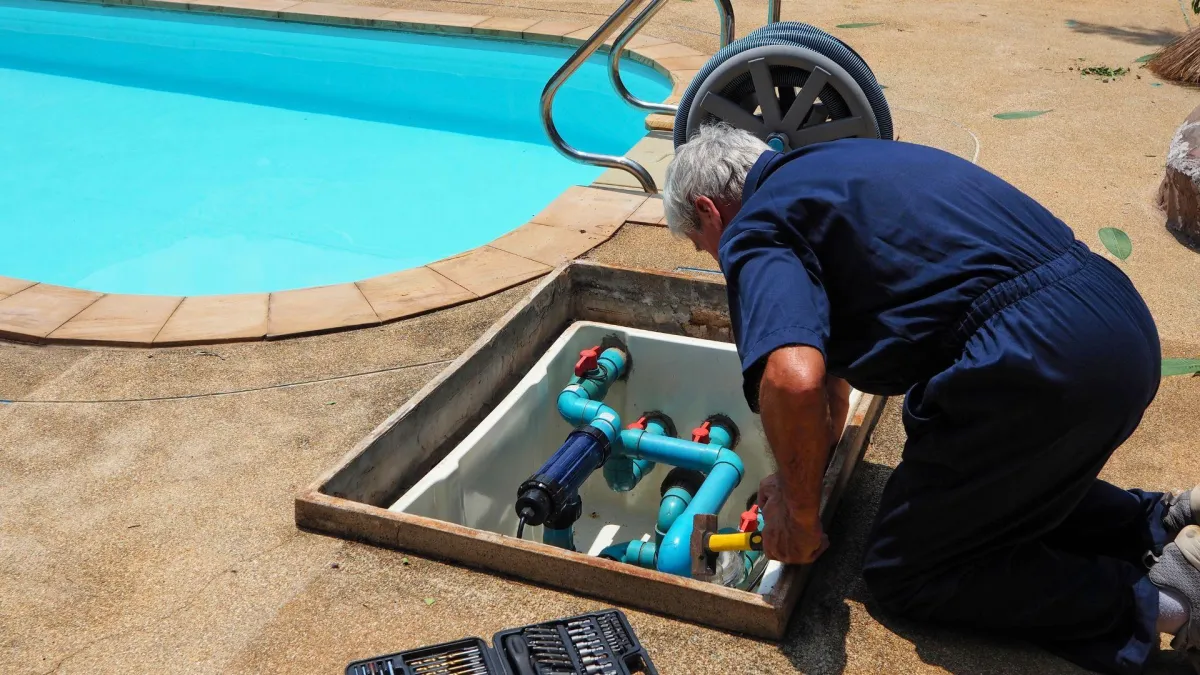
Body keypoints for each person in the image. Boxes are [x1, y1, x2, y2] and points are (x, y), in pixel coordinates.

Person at [662, 124, 1195, 674]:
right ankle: (1162, 519)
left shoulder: (755, 226)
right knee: (966, 492)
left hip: (1040, 360)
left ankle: (1168, 605)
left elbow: (791, 379)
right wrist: (800, 479)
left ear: (709, 211)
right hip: (1114, 324)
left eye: (706, 248)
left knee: (906, 569)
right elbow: (829, 390)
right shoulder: (833, 167)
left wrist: (799, 520)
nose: (718, 260)